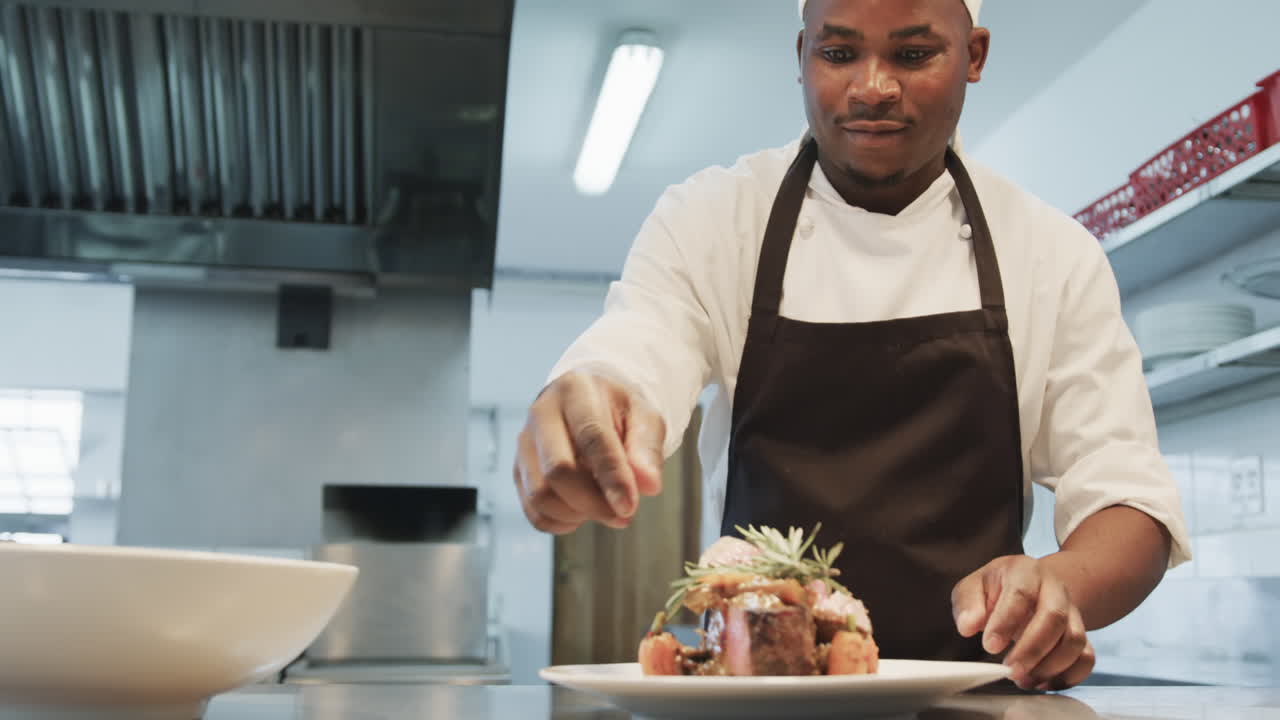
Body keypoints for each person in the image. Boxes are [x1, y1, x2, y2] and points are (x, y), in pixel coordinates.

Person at [514, 0, 1190, 692]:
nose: (872, 87)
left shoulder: (1051, 254)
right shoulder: (714, 221)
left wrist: (1056, 585)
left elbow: (1128, 500)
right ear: (801, 55)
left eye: (912, 54)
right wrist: (591, 406)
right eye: (839, 54)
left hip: (977, 699)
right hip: (756, 702)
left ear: (975, 55)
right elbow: (637, 348)